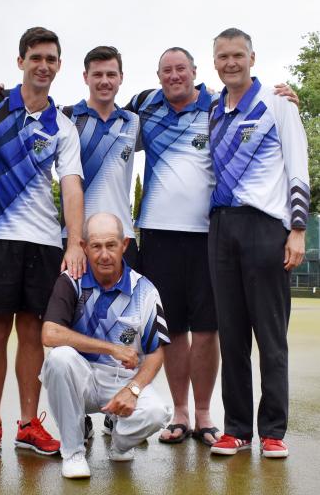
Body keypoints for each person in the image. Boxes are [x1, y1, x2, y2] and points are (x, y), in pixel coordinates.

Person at [125, 47, 297, 446]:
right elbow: (101, 113)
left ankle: (204, 415)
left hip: (208, 234)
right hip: (158, 233)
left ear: (195, 72)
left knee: (207, 331)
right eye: (166, 70)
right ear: (157, 75)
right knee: (173, 332)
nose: (173, 76)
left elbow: (253, 101)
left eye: (180, 69)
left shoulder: (217, 105)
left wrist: (284, 99)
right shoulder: (144, 106)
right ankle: (180, 414)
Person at [0, 27, 85, 459]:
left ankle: (27, 423)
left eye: (51, 59)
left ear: (58, 66)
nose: (43, 65)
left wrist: (73, 242)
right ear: (20, 61)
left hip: (43, 242)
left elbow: (71, 186)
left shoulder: (63, 126)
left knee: (34, 335)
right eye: (35, 57)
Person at [208, 28, 309, 458]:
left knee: (270, 338)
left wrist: (299, 229)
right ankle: (236, 429)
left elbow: (298, 166)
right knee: (230, 337)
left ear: (252, 57)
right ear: (214, 62)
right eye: (223, 56)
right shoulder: (214, 109)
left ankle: (272, 432)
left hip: (266, 228)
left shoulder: (278, 103)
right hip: (220, 228)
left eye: (238, 55)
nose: (231, 62)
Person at [41, 213, 171, 478]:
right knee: (59, 358)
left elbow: (157, 351)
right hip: (81, 379)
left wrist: (133, 390)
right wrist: (111, 348)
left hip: (121, 381)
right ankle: (73, 452)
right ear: (84, 246)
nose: (104, 255)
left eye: (111, 245)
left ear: (124, 245)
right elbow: (50, 334)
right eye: (96, 246)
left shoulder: (145, 290)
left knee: (158, 413)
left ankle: (121, 444)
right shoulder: (71, 280)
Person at [60, 46, 139, 268]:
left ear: (121, 78)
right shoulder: (66, 117)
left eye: (111, 74)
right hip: (77, 238)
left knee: (125, 303)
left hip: (122, 237)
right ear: (86, 77)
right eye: (97, 74)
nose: (105, 81)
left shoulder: (133, 122)